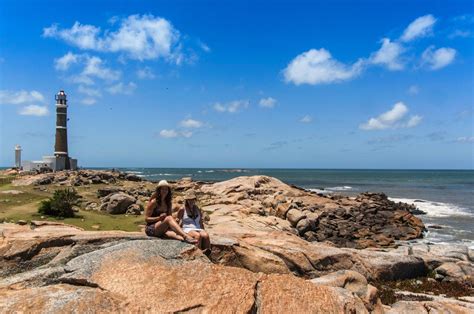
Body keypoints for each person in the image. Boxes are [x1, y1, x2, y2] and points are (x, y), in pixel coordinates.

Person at [144, 180, 197, 244]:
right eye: (162, 189)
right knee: (169, 219)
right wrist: (159, 218)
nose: (164, 191)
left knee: (179, 237)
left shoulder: (168, 203)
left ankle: (197, 249)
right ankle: (186, 236)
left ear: (168, 191)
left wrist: (176, 221)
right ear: (159, 190)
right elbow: (146, 219)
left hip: (162, 228)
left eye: (166, 189)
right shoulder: (154, 202)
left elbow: (170, 217)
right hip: (151, 228)